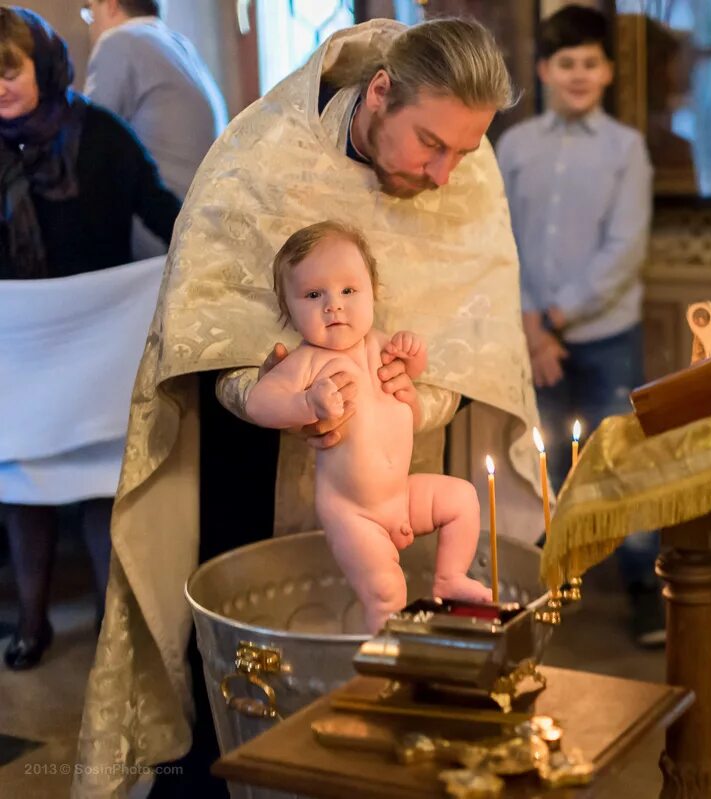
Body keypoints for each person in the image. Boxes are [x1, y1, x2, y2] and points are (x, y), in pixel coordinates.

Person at [74, 18, 544, 799]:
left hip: (401, 462)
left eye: (462, 151)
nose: (443, 175)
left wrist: (403, 389)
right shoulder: (262, 155)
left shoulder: (469, 165)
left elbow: (476, 336)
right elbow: (203, 324)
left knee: (398, 630)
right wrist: (278, 393)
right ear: (383, 92)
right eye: (430, 143)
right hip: (252, 462)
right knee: (241, 662)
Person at [0, 7, 180, 670]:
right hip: (19, 350)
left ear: (43, 65)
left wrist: (209, 259)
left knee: (103, 483)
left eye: (9, 69)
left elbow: (161, 208)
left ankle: (113, 619)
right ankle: (32, 621)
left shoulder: (102, 134)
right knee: (22, 482)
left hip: (98, 340)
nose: (0, 87)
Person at [495, 5, 663, 647]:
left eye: (590, 63)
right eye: (566, 63)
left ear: (609, 71)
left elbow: (624, 248)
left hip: (604, 333)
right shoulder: (514, 146)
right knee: (536, 461)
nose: (578, 74)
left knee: (620, 456)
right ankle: (543, 589)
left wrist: (556, 319)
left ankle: (644, 587)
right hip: (528, 333)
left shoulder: (627, 149)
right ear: (543, 70)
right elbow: (502, 239)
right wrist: (532, 327)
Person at [246, 221, 491, 631]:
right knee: (385, 590)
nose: (333, 305)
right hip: (353, 512)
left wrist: (413, 358)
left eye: (348, 290)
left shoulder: (379, 344)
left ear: (372, 291)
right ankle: (382, 662)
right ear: (288, 311)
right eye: (312, 294)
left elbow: (408, 376)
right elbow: (258, 403)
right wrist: (305, 401)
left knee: (462, 499)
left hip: (402, 495)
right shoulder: (308, 362)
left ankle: (449, 579)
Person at [82, 0, 228, 258]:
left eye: (89, 10)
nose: (90, 23)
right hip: (206, 219)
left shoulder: (118, 42)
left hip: (159, 229)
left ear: (111, 6)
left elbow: (86, 140)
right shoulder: (179, 44)